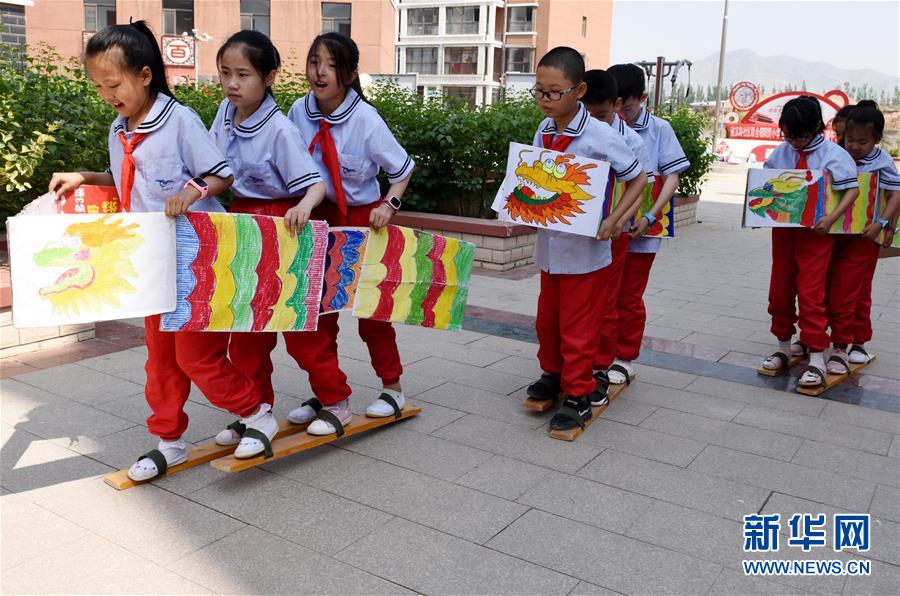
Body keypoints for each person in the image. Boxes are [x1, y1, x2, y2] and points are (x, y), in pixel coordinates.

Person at [48, 22, 276, 480]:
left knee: (196, 356)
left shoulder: (179, 121)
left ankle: (258, 415)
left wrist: (191, 191)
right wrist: (85, 178)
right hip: (151, 260)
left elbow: (221, 174)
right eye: (98, 86)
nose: (106, 94)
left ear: (145, 75)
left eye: (113, 84)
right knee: (161, 359)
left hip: (195, 257)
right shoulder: (119, 129)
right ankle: (169, 440)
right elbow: (131, 180)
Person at [207, 30, 355, 446]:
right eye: (225, 74)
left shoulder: (280, 129)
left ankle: (336, 399)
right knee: (247, 329)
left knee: (299, 329)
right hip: (241, 224)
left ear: (269, 77)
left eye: (243, 75)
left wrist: (304, 208)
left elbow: (315, 185)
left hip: (284, 226)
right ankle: (256, 410)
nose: (232, 84)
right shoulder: (224, 111)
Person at [287, 32, 414, 436]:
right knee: (315, 314)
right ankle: (327, 393)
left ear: (351, 72)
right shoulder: (298, 111)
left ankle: (392, 388)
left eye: (330, 64)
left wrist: (387, 206)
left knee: (371, 311)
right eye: (313, 62)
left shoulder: (365, 118)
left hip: (362, 220)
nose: (319, 72)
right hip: (312, 219)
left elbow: (401, 170)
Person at [524, 47, 647, 432]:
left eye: (553, 92)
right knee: (548, 321)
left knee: (578, 327)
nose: (544, 100)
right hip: (550, 245)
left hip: (587, 250)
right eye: (539, 91)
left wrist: (614, 220)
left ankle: (579, 392)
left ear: (578, 90)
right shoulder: (543, 131)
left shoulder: (600, 136)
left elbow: (639, 180)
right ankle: (554, 373)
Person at [758, 96, 858, 388]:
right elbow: (766, 182)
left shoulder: (833, 155)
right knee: (780, 287)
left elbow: (851, 191)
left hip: (817, 234)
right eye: (787, 135)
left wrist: (830, 218)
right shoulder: (782, 151)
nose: (793, 142)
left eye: (798, 136)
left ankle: (816, 356)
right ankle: (783, 346)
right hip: (785, 233)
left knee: (811, 291)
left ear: (817, 127)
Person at [605, 63, 690, 385]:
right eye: (616, 103)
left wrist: (651, 214)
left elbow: (671, 177)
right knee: (605, 294)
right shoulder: (604, 125)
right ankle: (602, 353)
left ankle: (624, 357)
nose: (620, 111)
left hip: (643, 228)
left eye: (626, 104)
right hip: (610, 228)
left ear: (641, 97)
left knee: (629, 295)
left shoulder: (659, 130)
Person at [582, 69, 653, 384]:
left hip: (614, 234)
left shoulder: (631, 140)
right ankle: (572, 362)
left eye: (601, 114)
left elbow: (639, 189)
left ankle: (601, 364)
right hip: (577, 231)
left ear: (616, 104)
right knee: (578, 300)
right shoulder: (569, 129)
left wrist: (618, 222)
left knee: (609, 301)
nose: (594, 121)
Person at [827, 100, 900, 370]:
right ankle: (838, 339)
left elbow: (896, 195)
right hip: (834, 235)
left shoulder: (881, 161)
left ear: (877, 140)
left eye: (863, 141)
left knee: (852, 289)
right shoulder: (837, 154)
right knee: (832, 287)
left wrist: (882, 224)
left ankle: (847, 344)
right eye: (850, 140)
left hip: (864, 238)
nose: (855, 147)